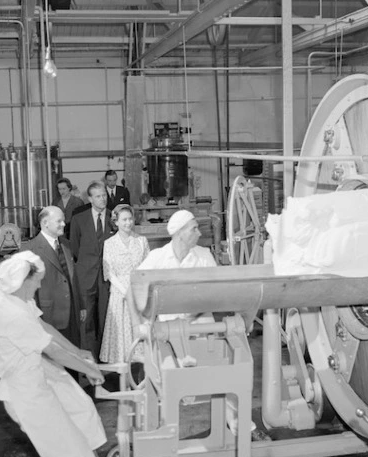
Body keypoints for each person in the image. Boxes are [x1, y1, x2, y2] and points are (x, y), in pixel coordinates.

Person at [0, 251, 115, 457]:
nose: (40, 285)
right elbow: (52, 351)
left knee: (75, 432)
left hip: (34, 378)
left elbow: (45, 328)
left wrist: (79, 354)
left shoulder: (13, 298)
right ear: (23, 282)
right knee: (66, 452)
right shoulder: (11, 313)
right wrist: (90, 370)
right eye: (36, 281)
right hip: (25, 393)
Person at [137, 210, 271, 442]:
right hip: (168, 335)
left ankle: (242, 427)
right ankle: (159, 435)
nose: (199, 233)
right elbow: (136, 284)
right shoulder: (158, 258)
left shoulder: (203, 256)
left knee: (224, 376)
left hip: (203, 330)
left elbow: (216, 291)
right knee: (166, 384)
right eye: (194, 229)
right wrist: (144, 322)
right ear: (179, 234)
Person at [21, 206, 85, 361]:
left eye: (63, 220)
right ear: (45, 223)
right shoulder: (30, 249)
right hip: (48, 315)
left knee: (72, 359)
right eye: (59, 221)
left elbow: (74, 278)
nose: (64, 224)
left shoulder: (66, 244)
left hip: (72, 315)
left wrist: (81, 305)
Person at [69, 181, 115, 360]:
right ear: (90, 198)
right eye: (98, 196)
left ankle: (106, 356)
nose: (102, 199)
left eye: (104, 195)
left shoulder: (114, 218)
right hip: (86, 276)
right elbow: (74, 247)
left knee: (106, 317)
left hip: (107, 277)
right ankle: (88, 358)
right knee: (86, 318)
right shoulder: (78, 219)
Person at [100, 204, 149, 364]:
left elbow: (147, 267)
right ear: (116, 222)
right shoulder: (109, 243)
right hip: (119, 293)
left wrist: (136, 289)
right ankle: (122, 373)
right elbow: (109, 272)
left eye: (130, 219)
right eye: (124, 220)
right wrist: (124, 290)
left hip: (138, 292)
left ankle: (141, 367)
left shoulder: (141, 241)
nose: (128, 223)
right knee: (121, 334)